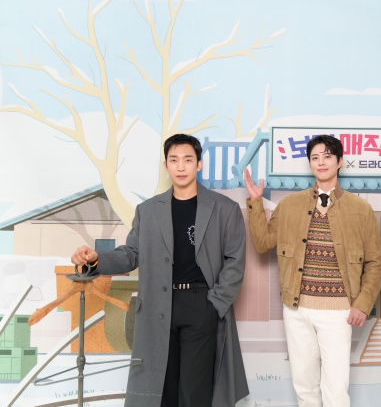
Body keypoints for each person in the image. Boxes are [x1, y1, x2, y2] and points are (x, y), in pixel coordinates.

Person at [71, 134, 248, 407]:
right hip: (157, 307)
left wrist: (215, 304)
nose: (181, 166)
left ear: (199, 164)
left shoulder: (224, 209)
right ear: (165, 165)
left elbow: (235, 260)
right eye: (174, 160)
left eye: (188, 160)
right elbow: (131, 254)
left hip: (202, 305)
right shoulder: (148, 210)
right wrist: (95, 260)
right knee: (162, 391)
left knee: (195, 393)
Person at [244, 134, 381, 407]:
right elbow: (263, 243)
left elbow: (376, 262)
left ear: (340, 161)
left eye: (327, 156)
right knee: (304, 386)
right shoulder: (290, 204)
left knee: (336, 389)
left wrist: (362, 304)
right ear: (310, 163)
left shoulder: (360, 208)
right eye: (315, 157)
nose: (321, 162)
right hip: (297, 309)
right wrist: (255, 203)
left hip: (339, 312)